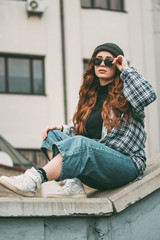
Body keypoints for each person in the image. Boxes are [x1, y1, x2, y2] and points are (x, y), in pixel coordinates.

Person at [0, 43, 157, 198]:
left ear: (116, 64)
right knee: (52, 136)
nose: (102, 64)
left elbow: (148, 96)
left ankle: (34, 180)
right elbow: (88, 135)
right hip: (98, 166)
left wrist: (126, 70)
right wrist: (62, 129)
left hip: (126, 165)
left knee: (82, 144)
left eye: (109, 61)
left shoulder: (127, 94)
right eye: (98, 60)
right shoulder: (91, 97)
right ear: (93, 65)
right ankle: (73, 183)